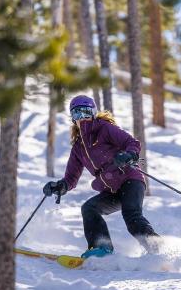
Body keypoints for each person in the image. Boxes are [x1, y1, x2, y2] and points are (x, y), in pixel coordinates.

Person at [43, 95, 162, 259]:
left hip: (130, 180)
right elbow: (71, 178)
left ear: (93, 113)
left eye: (85, 112)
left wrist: (128, 155)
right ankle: (101, 247)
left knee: (132, 216)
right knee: (89, 208)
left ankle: (158, 249)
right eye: (76, 114)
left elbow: (132, 142)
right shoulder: (79, 147)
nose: (81, 117)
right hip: (111, 190)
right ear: (72, 118)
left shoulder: (105, 129)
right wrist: (60, 186)